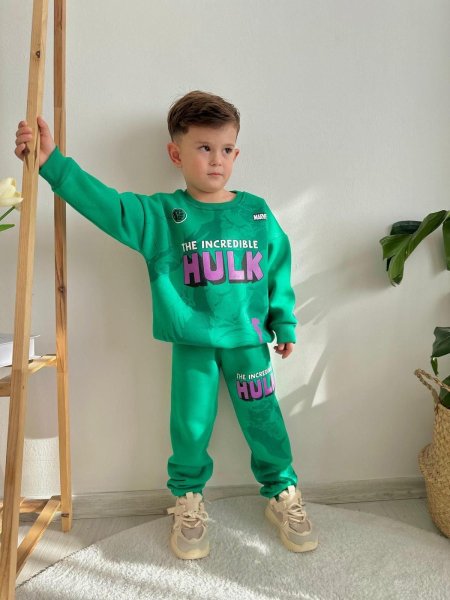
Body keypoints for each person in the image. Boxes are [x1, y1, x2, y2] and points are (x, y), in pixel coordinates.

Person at [14, 90, 318, 560]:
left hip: (249, 344)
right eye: (204, 148)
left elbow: (278, 266)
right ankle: (188, 500)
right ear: (176, 154)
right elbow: (108, 205)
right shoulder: (161, 215)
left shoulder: (256, 212)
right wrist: (51, 163)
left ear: (237, 153)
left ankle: (283, 491)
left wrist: (286, 323)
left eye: (226, 149)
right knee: (190, 426)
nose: (216, 160)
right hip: (193, 344)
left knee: (264, 419)